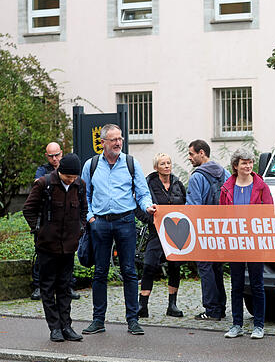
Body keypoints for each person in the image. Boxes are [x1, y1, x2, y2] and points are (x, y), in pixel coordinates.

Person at [80, 124, 156, 336]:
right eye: (113, 139)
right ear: (102, 142)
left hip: (125, 221)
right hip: (100, 223)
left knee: (129, 271)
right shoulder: (92, 165)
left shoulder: (131, 163)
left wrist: (147, 206)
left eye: (120, 138)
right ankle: (98, 320)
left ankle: (133, 320)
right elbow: (83, 195)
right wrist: (91, 218)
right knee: (100, 272)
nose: (118, 143)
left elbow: (142, 193)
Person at [23, 153, 87, 342]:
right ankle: (54, 327)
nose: (71, 180)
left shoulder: (80, 186)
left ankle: (66, 326)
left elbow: (84, 210)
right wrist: (39, 230)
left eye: (74, 177)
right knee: (48, 287)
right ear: (60, 172)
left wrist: (80, 229)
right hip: (47, 246)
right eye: (68, 177)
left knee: (65, 287)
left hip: (69, 246)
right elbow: (28, 209)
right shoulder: (44, 184)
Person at [220, 148, 273, 340]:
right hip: (235, 242)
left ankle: (259, 325)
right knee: (236, 285)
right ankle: (236, 324)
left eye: (250, 162)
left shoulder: (261, 186)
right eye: (244, 163)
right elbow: (222, 216)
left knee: (257, 284)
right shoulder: (227, 188)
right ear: (236, 166)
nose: (248, 166)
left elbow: (269, 213)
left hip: (255, 242)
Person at [186, 139, 231, 321]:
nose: (189, 158)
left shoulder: (197, 176)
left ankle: (211, 309)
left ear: (202, 153)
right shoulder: (225, 173)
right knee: (217, 268)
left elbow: (193, 207)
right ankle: (221, 306)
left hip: (204, 230)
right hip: (221, 229)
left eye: (191, 154)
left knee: (205, 268)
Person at [137, 153, 186, 319]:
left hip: (175, 231)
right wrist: (151, 220)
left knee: (175, 266)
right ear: (156, 167)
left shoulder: (177, 183)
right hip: (156, 231)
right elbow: (138, 207)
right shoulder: (148, 184)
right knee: (149, 265)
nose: (166, 166)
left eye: (168, 163)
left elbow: (185, 205)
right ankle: (142, 305)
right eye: (162, 163)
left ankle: (172, 304)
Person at [32, 143, 80, 301]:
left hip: (67, 227)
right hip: (47, 226)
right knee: (43, 259)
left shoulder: (73, 173)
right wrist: (38, 228)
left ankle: (68, 286)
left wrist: (80, 228)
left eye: (57, 155)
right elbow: (31, 203)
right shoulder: (43, 172)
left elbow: (83, 207)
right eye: (51, 156)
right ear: (47, 156)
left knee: (67, 259)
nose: (54, 159)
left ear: (61, 154)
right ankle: (39, 286)